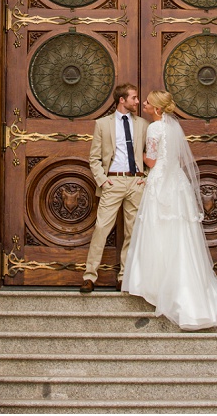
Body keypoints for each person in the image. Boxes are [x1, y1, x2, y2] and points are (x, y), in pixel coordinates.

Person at [122, 90, 217, 330]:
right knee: (180, 233)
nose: (144, 104)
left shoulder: (155, 128)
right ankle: (185, 284)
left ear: (158, 109)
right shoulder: (173, 128)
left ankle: (158, 284)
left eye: (148, 102)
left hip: (160, 182)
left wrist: (131, 153)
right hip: (176, 184)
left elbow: (151, 161)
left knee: (159, 230)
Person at [81, 83, 146, 292]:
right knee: (101, 228)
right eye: (134, 98)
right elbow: (94, 157)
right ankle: (90, 275)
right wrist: (102, 179)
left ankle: (124, 277)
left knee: (132, 231)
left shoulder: (143, 125)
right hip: (113, 181)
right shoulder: (102, 124)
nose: (137, 101)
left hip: (136, 182)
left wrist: (146, 177)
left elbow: (153, 154)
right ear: (122, 100)